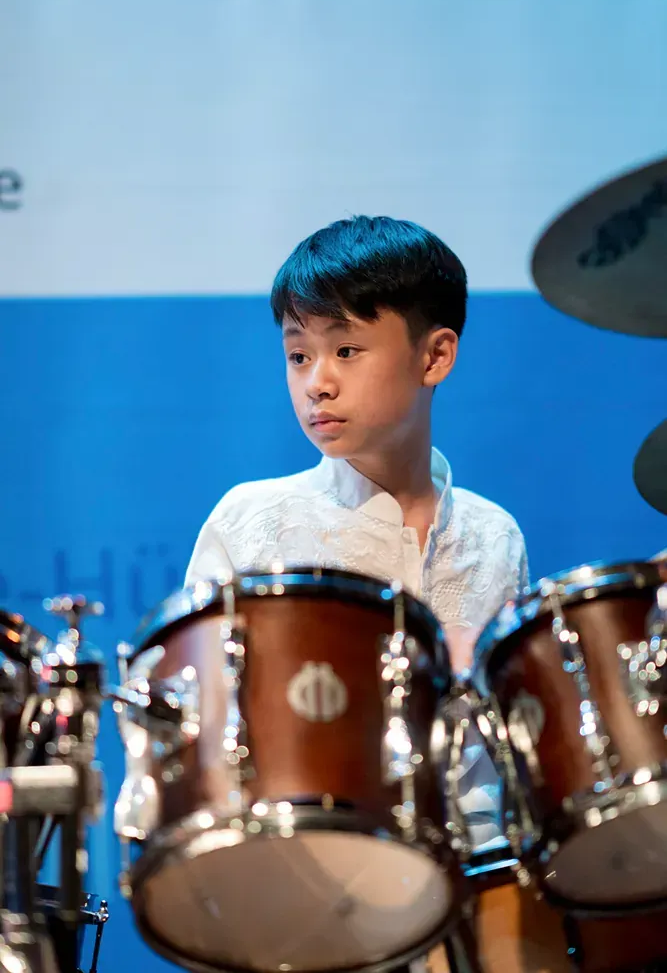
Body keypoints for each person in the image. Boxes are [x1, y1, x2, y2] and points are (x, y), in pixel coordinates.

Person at [185, 214, 528, 848]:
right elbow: (201, 727)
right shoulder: (252, 522)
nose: (318, 381)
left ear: (435, 356)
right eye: (298, 354)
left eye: (346, 349)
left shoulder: (494, 536)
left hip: (477, 873)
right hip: (310, 868)